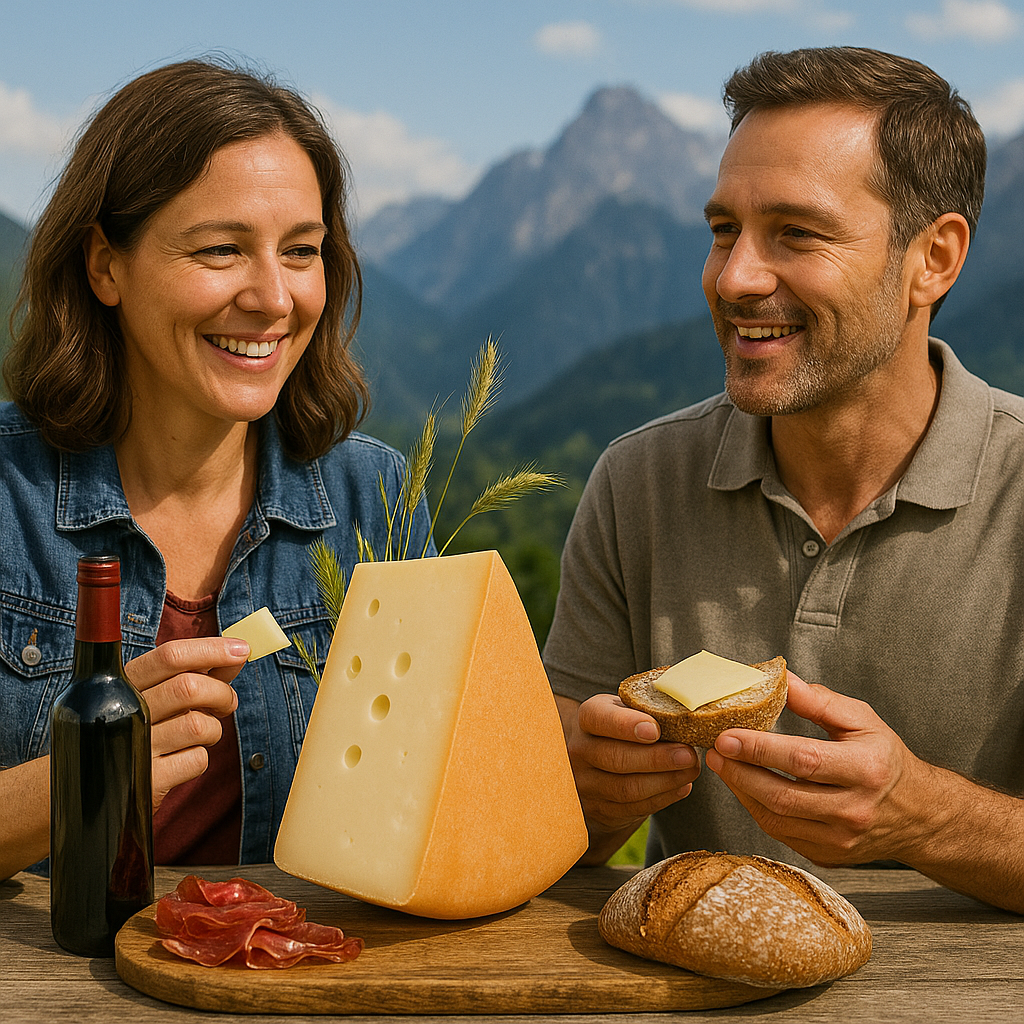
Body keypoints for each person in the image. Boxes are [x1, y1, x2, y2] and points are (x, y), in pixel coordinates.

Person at [543, 46, 1024, 914]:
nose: (735, 278)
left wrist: (927, 818)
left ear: (935, 259)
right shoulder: (637, 480)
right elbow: (549, 834)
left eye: (796, 233)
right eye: (724, 229)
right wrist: (577, 791)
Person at [0, 59, 431, 880]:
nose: (275, 297)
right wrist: (78, 783)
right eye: (222, 249)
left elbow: (429, 806)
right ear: (105, 266)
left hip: (295, 986)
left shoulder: (375, 501)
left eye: (301, 251)